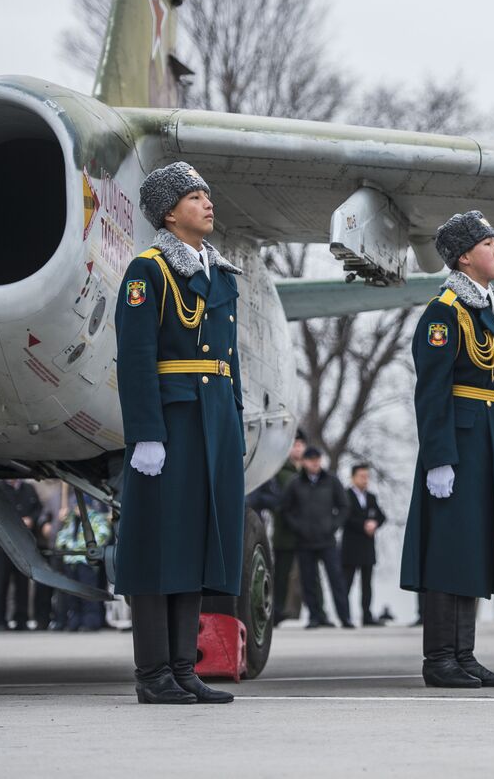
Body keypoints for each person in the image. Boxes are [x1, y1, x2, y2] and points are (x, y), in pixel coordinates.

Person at [115, 161, 245, 704]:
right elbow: (137, 359)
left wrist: (233, 420)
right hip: (171, 420)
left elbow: (228, 360)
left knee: (194, 541)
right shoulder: (148, 272)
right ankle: (152, 674)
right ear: (170, 213)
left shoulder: (217, 274)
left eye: (207, 194)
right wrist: (147, 432)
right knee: (156, 545)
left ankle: (181, 667)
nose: (207, 203)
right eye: (195, 197)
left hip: (213, 417)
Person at [401, 210, 494, 689]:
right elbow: (432, 390)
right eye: (488, 243)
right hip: (458, 440)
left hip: (487, 437)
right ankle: (439, 659)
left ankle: (463, 655)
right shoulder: (445, 311)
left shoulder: (491, 306)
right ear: (466, 257)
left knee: (472, 549)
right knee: (449, 551)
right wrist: (439, 458)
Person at [283, 447, 353, 629]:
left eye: (317, 458)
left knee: (336, 580)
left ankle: (345, 617)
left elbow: (344, 506)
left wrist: (333, 526)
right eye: (311, 459)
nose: (315, 462)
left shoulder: (332, 481)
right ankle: (314, 616)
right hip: (304, 541)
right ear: (304, 462)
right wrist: (298, 527)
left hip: (327, 540)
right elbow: (286, 510)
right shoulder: (295, 483)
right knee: (308, 580)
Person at [247, 429, 306, 625]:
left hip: (304, 531)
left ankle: (316, 612)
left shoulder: (304, 472)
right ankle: (274, 611)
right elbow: (268, 496)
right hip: (281, 529)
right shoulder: (277, 469)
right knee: (277, 573)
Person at [54, 499, 111, 632]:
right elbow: (63, 535)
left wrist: (84, 547)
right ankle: (74, 621)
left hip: (86, 562)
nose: (77, 509)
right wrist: (64, 546)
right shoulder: (71, 520)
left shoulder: (96, 518)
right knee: (72, 595)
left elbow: (103, 534)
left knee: (88, 593)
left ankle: (91, 622)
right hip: (70, 561)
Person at [342, 463, 388, 626]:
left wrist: (374, 523)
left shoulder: (371, 497)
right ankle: (344, 615)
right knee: (346, 583)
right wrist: (364, 525)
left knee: (367, 585)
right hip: (351, 547)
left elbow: (382, 516)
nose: (365, 480)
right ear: (353, 477)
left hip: (367, 547)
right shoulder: (345, 495)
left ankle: (367, 616)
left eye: (367, 477)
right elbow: (345, 518)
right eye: (362, 476)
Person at [0, 479, 45, 630]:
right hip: (3, 544)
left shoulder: (29, 489)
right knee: (0, 583)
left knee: (22, 584)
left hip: (24, 544)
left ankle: (22, 619)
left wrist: (31, 519)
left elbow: (38, 509)